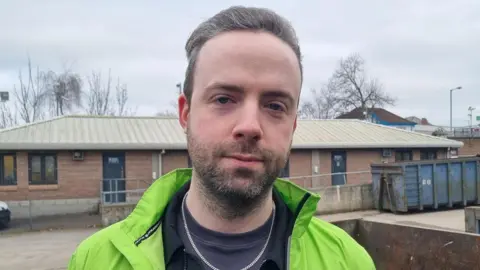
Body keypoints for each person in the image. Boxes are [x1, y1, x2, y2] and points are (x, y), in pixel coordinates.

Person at [68, 6, 375, 270]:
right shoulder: (95, 259)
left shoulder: (348, 261)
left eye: (274, 105)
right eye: (224, 99)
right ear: (185, 113)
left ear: (293, 126)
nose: (250, 126)